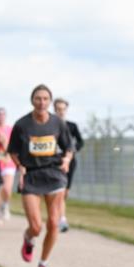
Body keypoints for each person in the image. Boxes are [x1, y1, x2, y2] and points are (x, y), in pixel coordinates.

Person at [8, 84, 74, 267]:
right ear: (32, 100)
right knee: (36, 227)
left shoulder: (58, 123)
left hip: (54, 174)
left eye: (45, 99)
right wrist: (20, 166)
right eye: (38, 98)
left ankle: (43, 265)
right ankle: (29, 239)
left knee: (53, 223)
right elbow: (13, 151)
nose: (42, 102)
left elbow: (69, 147)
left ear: (50, 101)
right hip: (31, 175)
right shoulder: (22, 125)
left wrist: (66, 160)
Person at [53, 98, 84, 232]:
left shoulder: (72, 126)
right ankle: (62, 219)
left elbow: (80, 142)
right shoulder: (50, 125)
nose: (61, 112)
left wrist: (72, 150)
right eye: (58, 109)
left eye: (63, 109)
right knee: (59, 190)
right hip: (54, 162)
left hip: (70, 161)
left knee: (65, 192)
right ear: (55, 110)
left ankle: (59, 214)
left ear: (66, 110)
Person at [0, 107, 16, 223]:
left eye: (3, 114)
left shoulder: (10, 129)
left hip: (8, 162)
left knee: (7, 189)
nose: (1, 117)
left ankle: (5, 205)